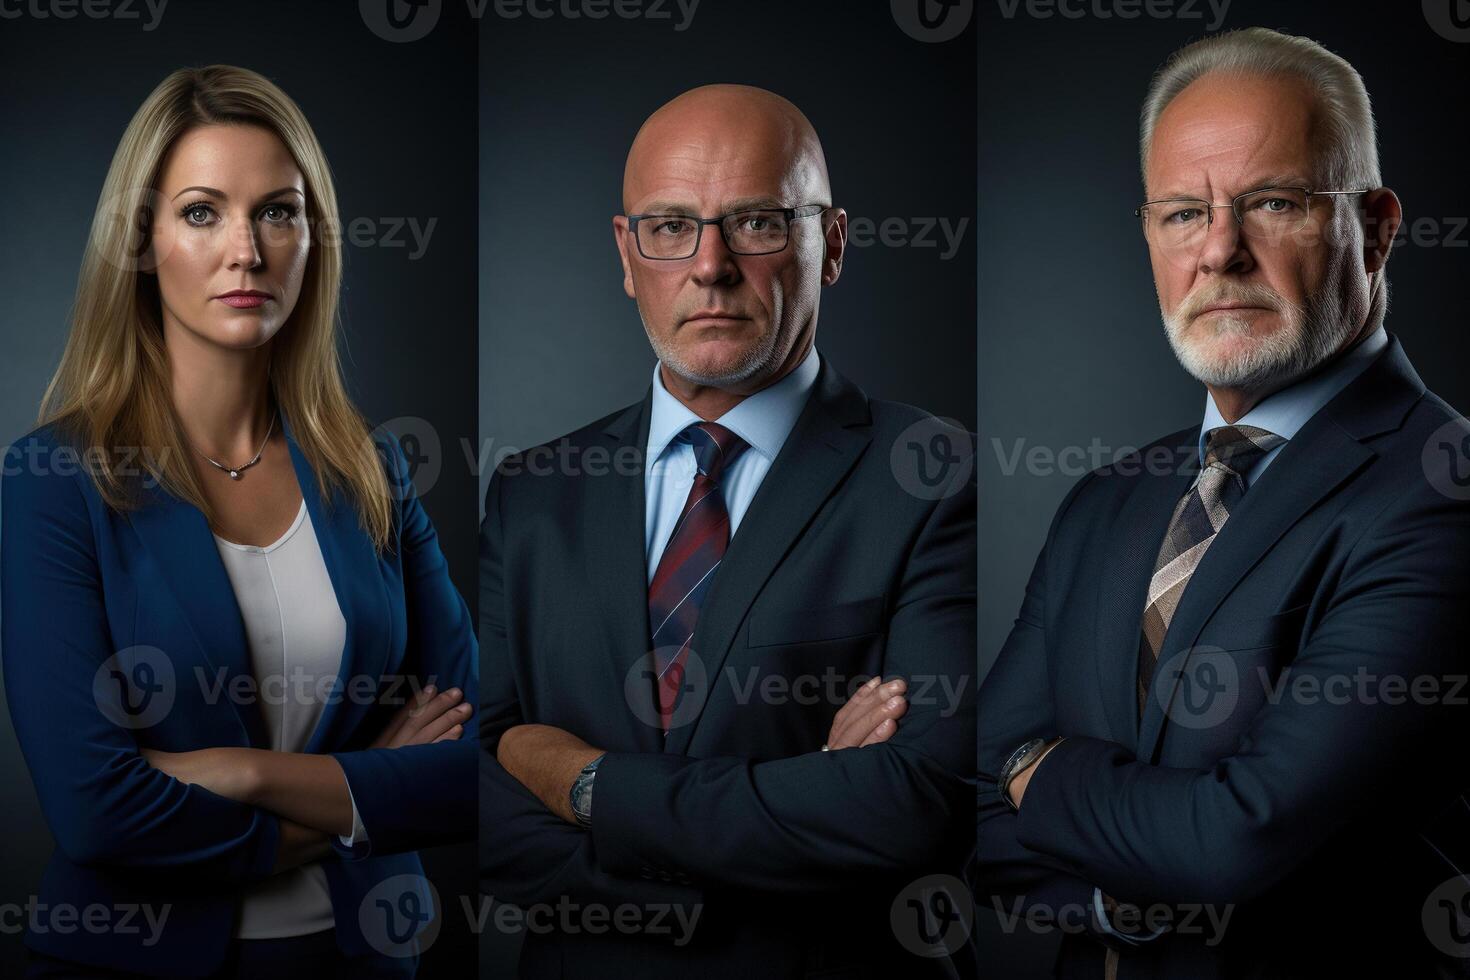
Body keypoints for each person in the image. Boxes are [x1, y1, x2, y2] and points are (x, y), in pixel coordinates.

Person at [976, 27, 1470, 978]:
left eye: (1273, 203)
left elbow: (1232, 842)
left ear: (1376, 227)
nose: (1219, 253)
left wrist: (1034, 772)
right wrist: (1121, 888)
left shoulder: (1440, 493)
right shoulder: (1105, 502)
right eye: (1179, 214)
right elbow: (960, 798)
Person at [478, 83, 976, 978]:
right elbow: (474, 796)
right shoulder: (531, 494)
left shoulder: (936, 477)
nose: (710, 266)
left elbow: (911, 805)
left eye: (756, 223)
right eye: (671, 227)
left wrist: (583, 783)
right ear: (627, 256)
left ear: (833, 246)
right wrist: (797, 801)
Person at [1, 65, 476, 978]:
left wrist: (247, 774)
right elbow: (95, 808)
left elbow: (468, 764)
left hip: (362, 955)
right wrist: (362, 794)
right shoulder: (55, 477)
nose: (247, 252)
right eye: (201, 211)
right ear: (142, 239)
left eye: (278, 211)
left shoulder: (370, 471)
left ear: (312, 238)